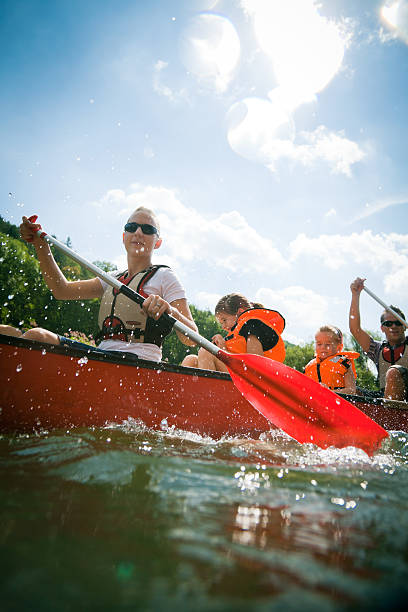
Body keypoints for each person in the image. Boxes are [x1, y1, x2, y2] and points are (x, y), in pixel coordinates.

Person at [0, 207, 197, 362]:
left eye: (147, 229)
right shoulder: (111, 278)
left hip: (139, 362)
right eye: (131, 227)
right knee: (33, 336)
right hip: (101, 355)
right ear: (123, 237)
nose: (138, 232)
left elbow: (191, 338)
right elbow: (61, 290)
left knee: (33, 335)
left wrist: (171, 311)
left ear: (158, 242)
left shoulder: (165, 277)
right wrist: (40, 244)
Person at [181, 292, 285, 372]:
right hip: (237, 373)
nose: (223, 327)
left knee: (206, 351)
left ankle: (208, 398)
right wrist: (223, 348)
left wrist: (222, 349)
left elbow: (255, 366)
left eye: (224, 320)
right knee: (190, 360)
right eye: (221, 323)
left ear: (240, 312)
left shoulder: (252, 326)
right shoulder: (237, 332)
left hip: (250, 382)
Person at [349, 277, 408, 400]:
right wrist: (355, 295)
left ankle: (391, 417)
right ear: (382, 328)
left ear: (404, 326)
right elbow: (356, 330)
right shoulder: (376, 349)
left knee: (393, 372)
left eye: (397, 323)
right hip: (385, 397)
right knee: (351, 391)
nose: (393, 326)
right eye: (388, 324)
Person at [304, 325, 358, 394]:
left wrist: (329, 392)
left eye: (328, 344)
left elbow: (351, 390)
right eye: (319, 344)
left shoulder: (344, 363)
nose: (323, 347)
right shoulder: (309, 366)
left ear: (339, 347)